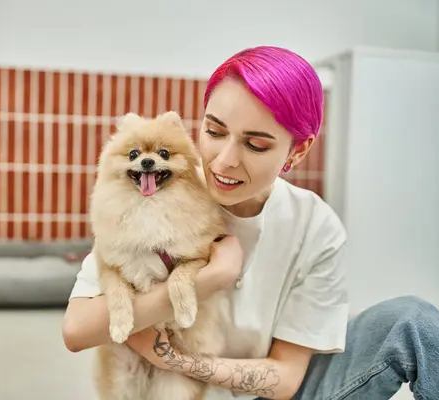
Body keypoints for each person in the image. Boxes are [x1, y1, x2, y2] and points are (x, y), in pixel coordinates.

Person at [61, 46, 439, 400]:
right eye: (214, 131)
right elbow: (77, 330)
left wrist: (172, 359)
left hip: (268, 388)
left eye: (255, 144)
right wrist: (206, 280)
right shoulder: (154, 197)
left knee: (414, 321)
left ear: (299, 148)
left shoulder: (314, 225)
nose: (224, 161)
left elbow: (288, 377)